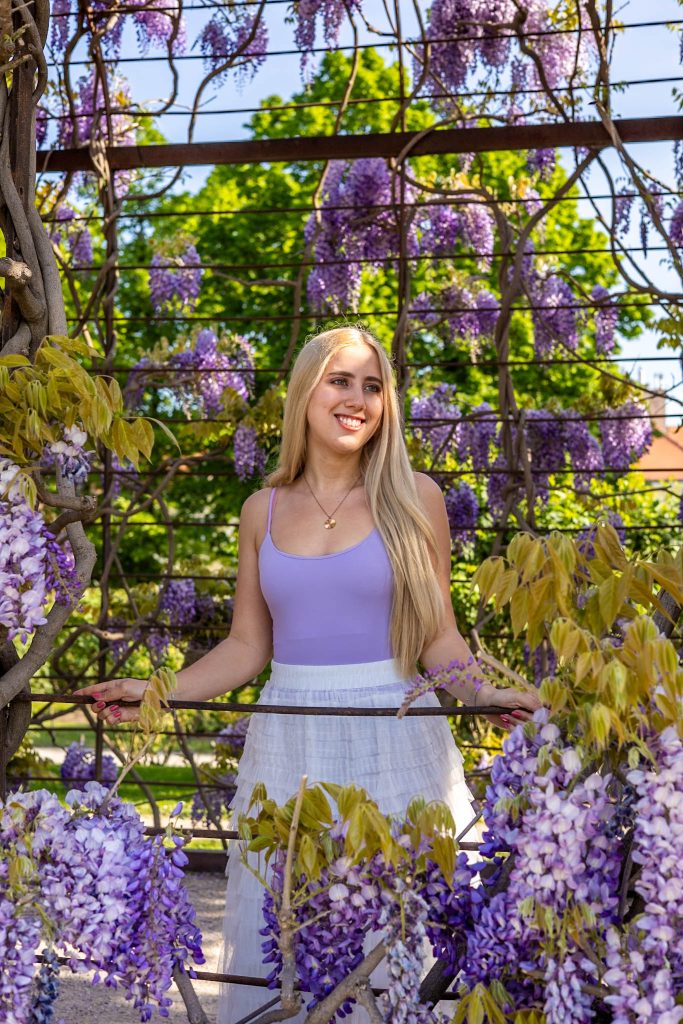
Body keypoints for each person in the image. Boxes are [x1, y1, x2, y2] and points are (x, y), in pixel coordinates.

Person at [75, 326, 541, 1023]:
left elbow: (439, 637)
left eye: (373, 386)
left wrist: (481, 693)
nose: (358, 399)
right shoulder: (260, 510)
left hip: (393, 734)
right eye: (340, 381)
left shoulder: (415, 497)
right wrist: (158, 691)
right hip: (286, 744)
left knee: (396, 944)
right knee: (289, 944)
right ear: (304, 394)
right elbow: (245, 648)